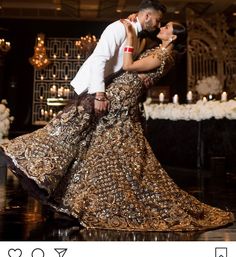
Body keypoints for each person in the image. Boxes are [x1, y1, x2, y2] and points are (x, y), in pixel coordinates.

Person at [1, 20, 234, 232]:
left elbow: (129, 66)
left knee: (107, 149)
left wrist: (131, 38)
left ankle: (79, 195)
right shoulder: (158, 50)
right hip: (118, 97)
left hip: (121, 101)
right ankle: (69, 193)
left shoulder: (164, 57)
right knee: (94, 146)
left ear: (172, 37)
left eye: (166, 28)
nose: (161, 28)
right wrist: (133, 30)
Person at [70, 0, 166, 115]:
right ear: (147, 16)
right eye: (158, 20)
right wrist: (99, 95)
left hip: (107, 88)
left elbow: (127, 63)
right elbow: (99, 59)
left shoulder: (139, 36)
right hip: (90, 87)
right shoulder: (119, 27)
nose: (159, 25)